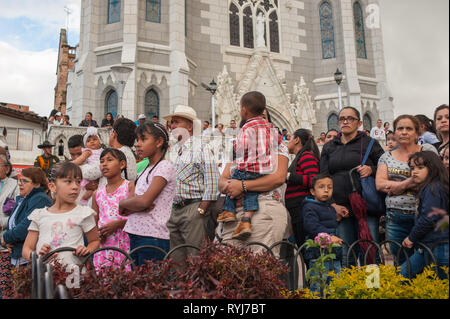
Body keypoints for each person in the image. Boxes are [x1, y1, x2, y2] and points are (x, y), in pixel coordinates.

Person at [320, 106, 384, 266]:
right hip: (342, 208)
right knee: (345, 254)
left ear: (359, 123)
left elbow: (385, 167)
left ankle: (372, 288)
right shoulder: (329, 146)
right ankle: (348, 290)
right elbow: (323, 177)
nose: (345, 121)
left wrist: (372, 169)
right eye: (341, 119)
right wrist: (332, 204)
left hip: (365, 207)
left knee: (370, 253)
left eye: (350, 118)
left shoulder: (370, 143)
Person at [376, 115, 439, 264]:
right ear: (395, 133)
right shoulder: (386, 157)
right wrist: (413, 181)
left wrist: (398, 186)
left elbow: (435, 178)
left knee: (427, 262)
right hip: (396, 218)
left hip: (425, 216)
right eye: (400, 128)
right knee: (401, 262)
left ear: (417, 133)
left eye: (409, 128)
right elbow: (379, 184)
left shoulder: (427, 150)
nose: (404, 132)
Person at [217, 92, 279, 239]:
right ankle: (246, 219)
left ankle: (229, 211)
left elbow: (241, 146)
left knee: (234, 181)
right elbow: (276, 141)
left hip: (246, 168)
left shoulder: (246, 128)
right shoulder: (270, 127)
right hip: (263, 170)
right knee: (251, 191)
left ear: (244, 110)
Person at [165, 105, 219, 264]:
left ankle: (198, 290)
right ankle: (180, 289)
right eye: (171, 123)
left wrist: (201, 209)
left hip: (193, 209)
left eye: (176, 122)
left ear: (189, 126)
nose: (172, 126)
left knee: (196, 260)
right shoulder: (175, 150)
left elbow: (212, 180)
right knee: (176, 260)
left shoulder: (202, 147)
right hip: (174, 210)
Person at [22, 163, 100, 266]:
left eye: (78, 182)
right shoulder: (39, 215)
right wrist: (37, 256)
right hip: (45, 277)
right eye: (68, 181)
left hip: (74, 276)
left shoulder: (83, 213)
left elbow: (95, 241)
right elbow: (26, 249)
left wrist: (87, 250)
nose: (75, 187)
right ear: (52, 186)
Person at [119, 123, 175, 265]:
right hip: (136, 233)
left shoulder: (164, 167)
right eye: (137, 140)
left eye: (143, 139)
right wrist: (135, 204)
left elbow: (144, 201)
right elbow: (134, 205)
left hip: (152, 236)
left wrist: (123, 202)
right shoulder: (146, 169)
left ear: (159, 142)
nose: (138, 144)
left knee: (149, 284)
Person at [0, 168, 51, 298]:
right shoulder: (24, 199)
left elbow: (25, 227)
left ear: (37, 184)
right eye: (19, 181)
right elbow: (14, 224)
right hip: (17, 255)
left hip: (28, 259)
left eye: (25, 181)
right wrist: (8, 242)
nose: (20, 184)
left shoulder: (40, 199)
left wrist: (5, 237)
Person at [399, 151, 448, 279]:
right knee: (402, 275)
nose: (414, 171)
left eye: (420, 168)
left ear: (432, 168)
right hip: (429, 244)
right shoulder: (430, 187)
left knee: (441, 285)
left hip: (440, 245)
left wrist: (411, 237)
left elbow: (429, 218)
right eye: (412, 168)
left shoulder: (434, 188)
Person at [92, 149, 133, 270]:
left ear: (122, 164)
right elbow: (95, 221)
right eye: (101, 161)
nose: (104, 164)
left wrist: (119, 224)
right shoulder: (97, 193)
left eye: (109, 160)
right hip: (104, 247)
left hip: (124, 244)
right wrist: (98, 235)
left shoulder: (129, 186)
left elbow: (136, 217)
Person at [302, 174, 343, 292]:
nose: (326, 190)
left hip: (333, 254)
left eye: (329, 187)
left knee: (335, 286)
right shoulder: (309, 207)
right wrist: (329, 236)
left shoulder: (329, 207)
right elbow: (312, 226)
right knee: (319, 286)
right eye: (321, 187)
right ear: (312, 191)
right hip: (318, 255)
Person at [285, 129, 320, 247]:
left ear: (297, 140)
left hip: (302, 207)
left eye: (290, 138)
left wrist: (289, 176)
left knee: (306, 247)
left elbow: (314, 180)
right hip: (296, 208)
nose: (287, 142)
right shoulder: (299, 157)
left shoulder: (306, 156)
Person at [0, 153, 19, 298]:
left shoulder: (14, 185)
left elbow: (16, 214)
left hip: (4, 242)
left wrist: (1, 222)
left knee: (4, 285)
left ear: (6, 169)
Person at [72, 127, 103, 205]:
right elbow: (80, 159)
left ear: (99, 142)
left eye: (94, 139)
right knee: (90, 192)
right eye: (88, 141)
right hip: (90, 173)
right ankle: (84, 201)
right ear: (85, 144)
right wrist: (71, 163)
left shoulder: (102, 151)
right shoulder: (88, 152)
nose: (92, 142)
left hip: (100, 174)